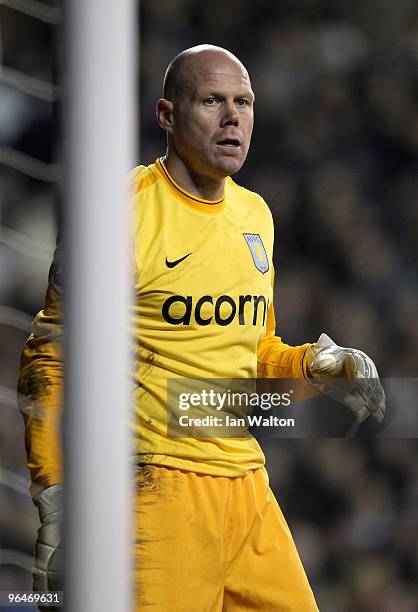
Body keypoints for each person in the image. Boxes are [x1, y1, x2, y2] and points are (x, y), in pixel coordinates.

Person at [18, 44, 385, 611]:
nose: (233, 116)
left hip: (246, 485)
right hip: (156, 486)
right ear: (167, 115)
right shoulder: (121, 215)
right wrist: (57, 497)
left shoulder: (254, 215)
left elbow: (255, 350)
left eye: (244, 102)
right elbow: (50, 355)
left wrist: (317, 363)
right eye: (212, 100)